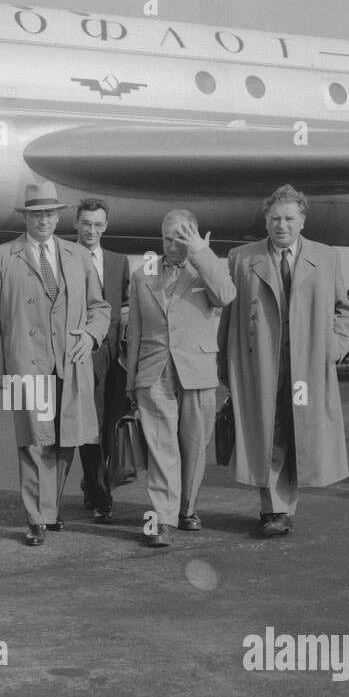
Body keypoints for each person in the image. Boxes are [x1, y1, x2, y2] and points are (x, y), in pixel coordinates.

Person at [217, 185, 349, 537]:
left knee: (298, 431)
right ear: (265, 220)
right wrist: (226, 366)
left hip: (306, 368)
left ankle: (284, 506)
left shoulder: (326, 257)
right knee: (267, 432)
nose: (282, 225)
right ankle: (274, 510)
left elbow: (343, 309)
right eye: (275, 218)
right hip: (262, 365)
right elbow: (227, 317)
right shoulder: (241, 258)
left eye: (289, 219)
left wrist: (335, 348)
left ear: (302, 221)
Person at [0, 181, 110, 546]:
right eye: (37, 215)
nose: (44, 221)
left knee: (66, 440)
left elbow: (100, 307)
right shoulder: (2, 256)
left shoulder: (77, 256)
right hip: (27, 364)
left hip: (70, 363)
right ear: (26, 217)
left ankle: (49, 508)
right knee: (36, 442)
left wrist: (90, 336)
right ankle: (37, 518)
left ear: (58, 216)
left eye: (50, 214)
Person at [125, 210, 235, 547]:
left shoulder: (208, 267)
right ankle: (162, 519)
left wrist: (200, 252)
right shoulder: (143, 274)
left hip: (197, 369)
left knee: (194, 445)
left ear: (194, 236)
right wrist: (132, 380)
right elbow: (135, 331)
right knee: (161, 447)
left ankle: (187, 509)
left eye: (180, 237)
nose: (173, 245)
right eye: (167, 238)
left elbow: (226, 295)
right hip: (154, 369)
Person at [72, 197, 130, 524]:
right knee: (90, 422)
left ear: (105, 226)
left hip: (114, 354)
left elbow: (124, 303)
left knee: (111, 422)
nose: (91, 230)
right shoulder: (65, 258)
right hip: (83, 351)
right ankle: (100, 494)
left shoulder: (119, 261)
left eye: (97, 224)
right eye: (86, 224)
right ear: (76, 225)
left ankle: (94, 481)